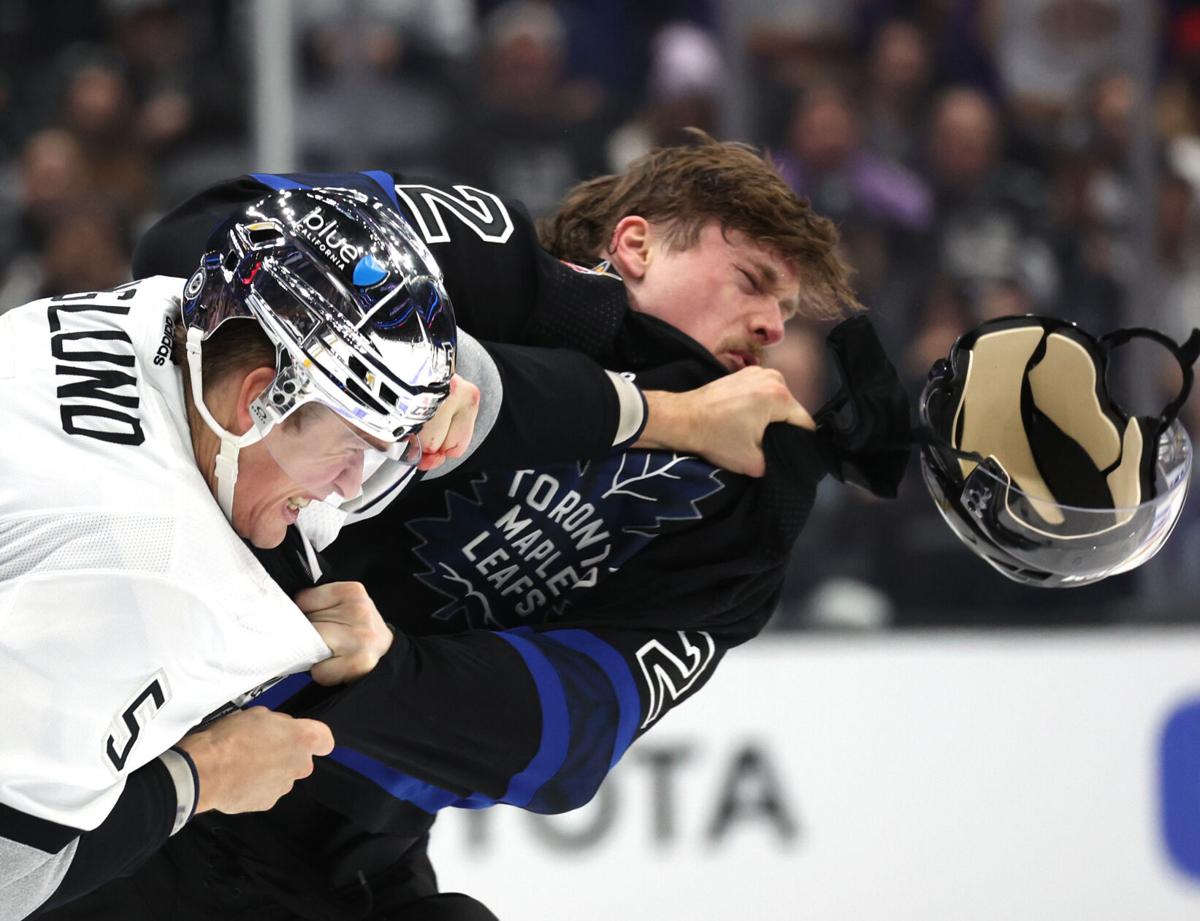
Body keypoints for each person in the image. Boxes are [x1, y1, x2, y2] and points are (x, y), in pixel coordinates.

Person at [42, 134, 910, 920]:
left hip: (331, 846)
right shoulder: (484, 258)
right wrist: (459, 366)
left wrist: (380, 671)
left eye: (788, 316)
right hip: (141, 747)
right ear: (636, 243)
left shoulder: (740, 508)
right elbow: (202, 241)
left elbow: (570, 737)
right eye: (755, 281)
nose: (770, 327)